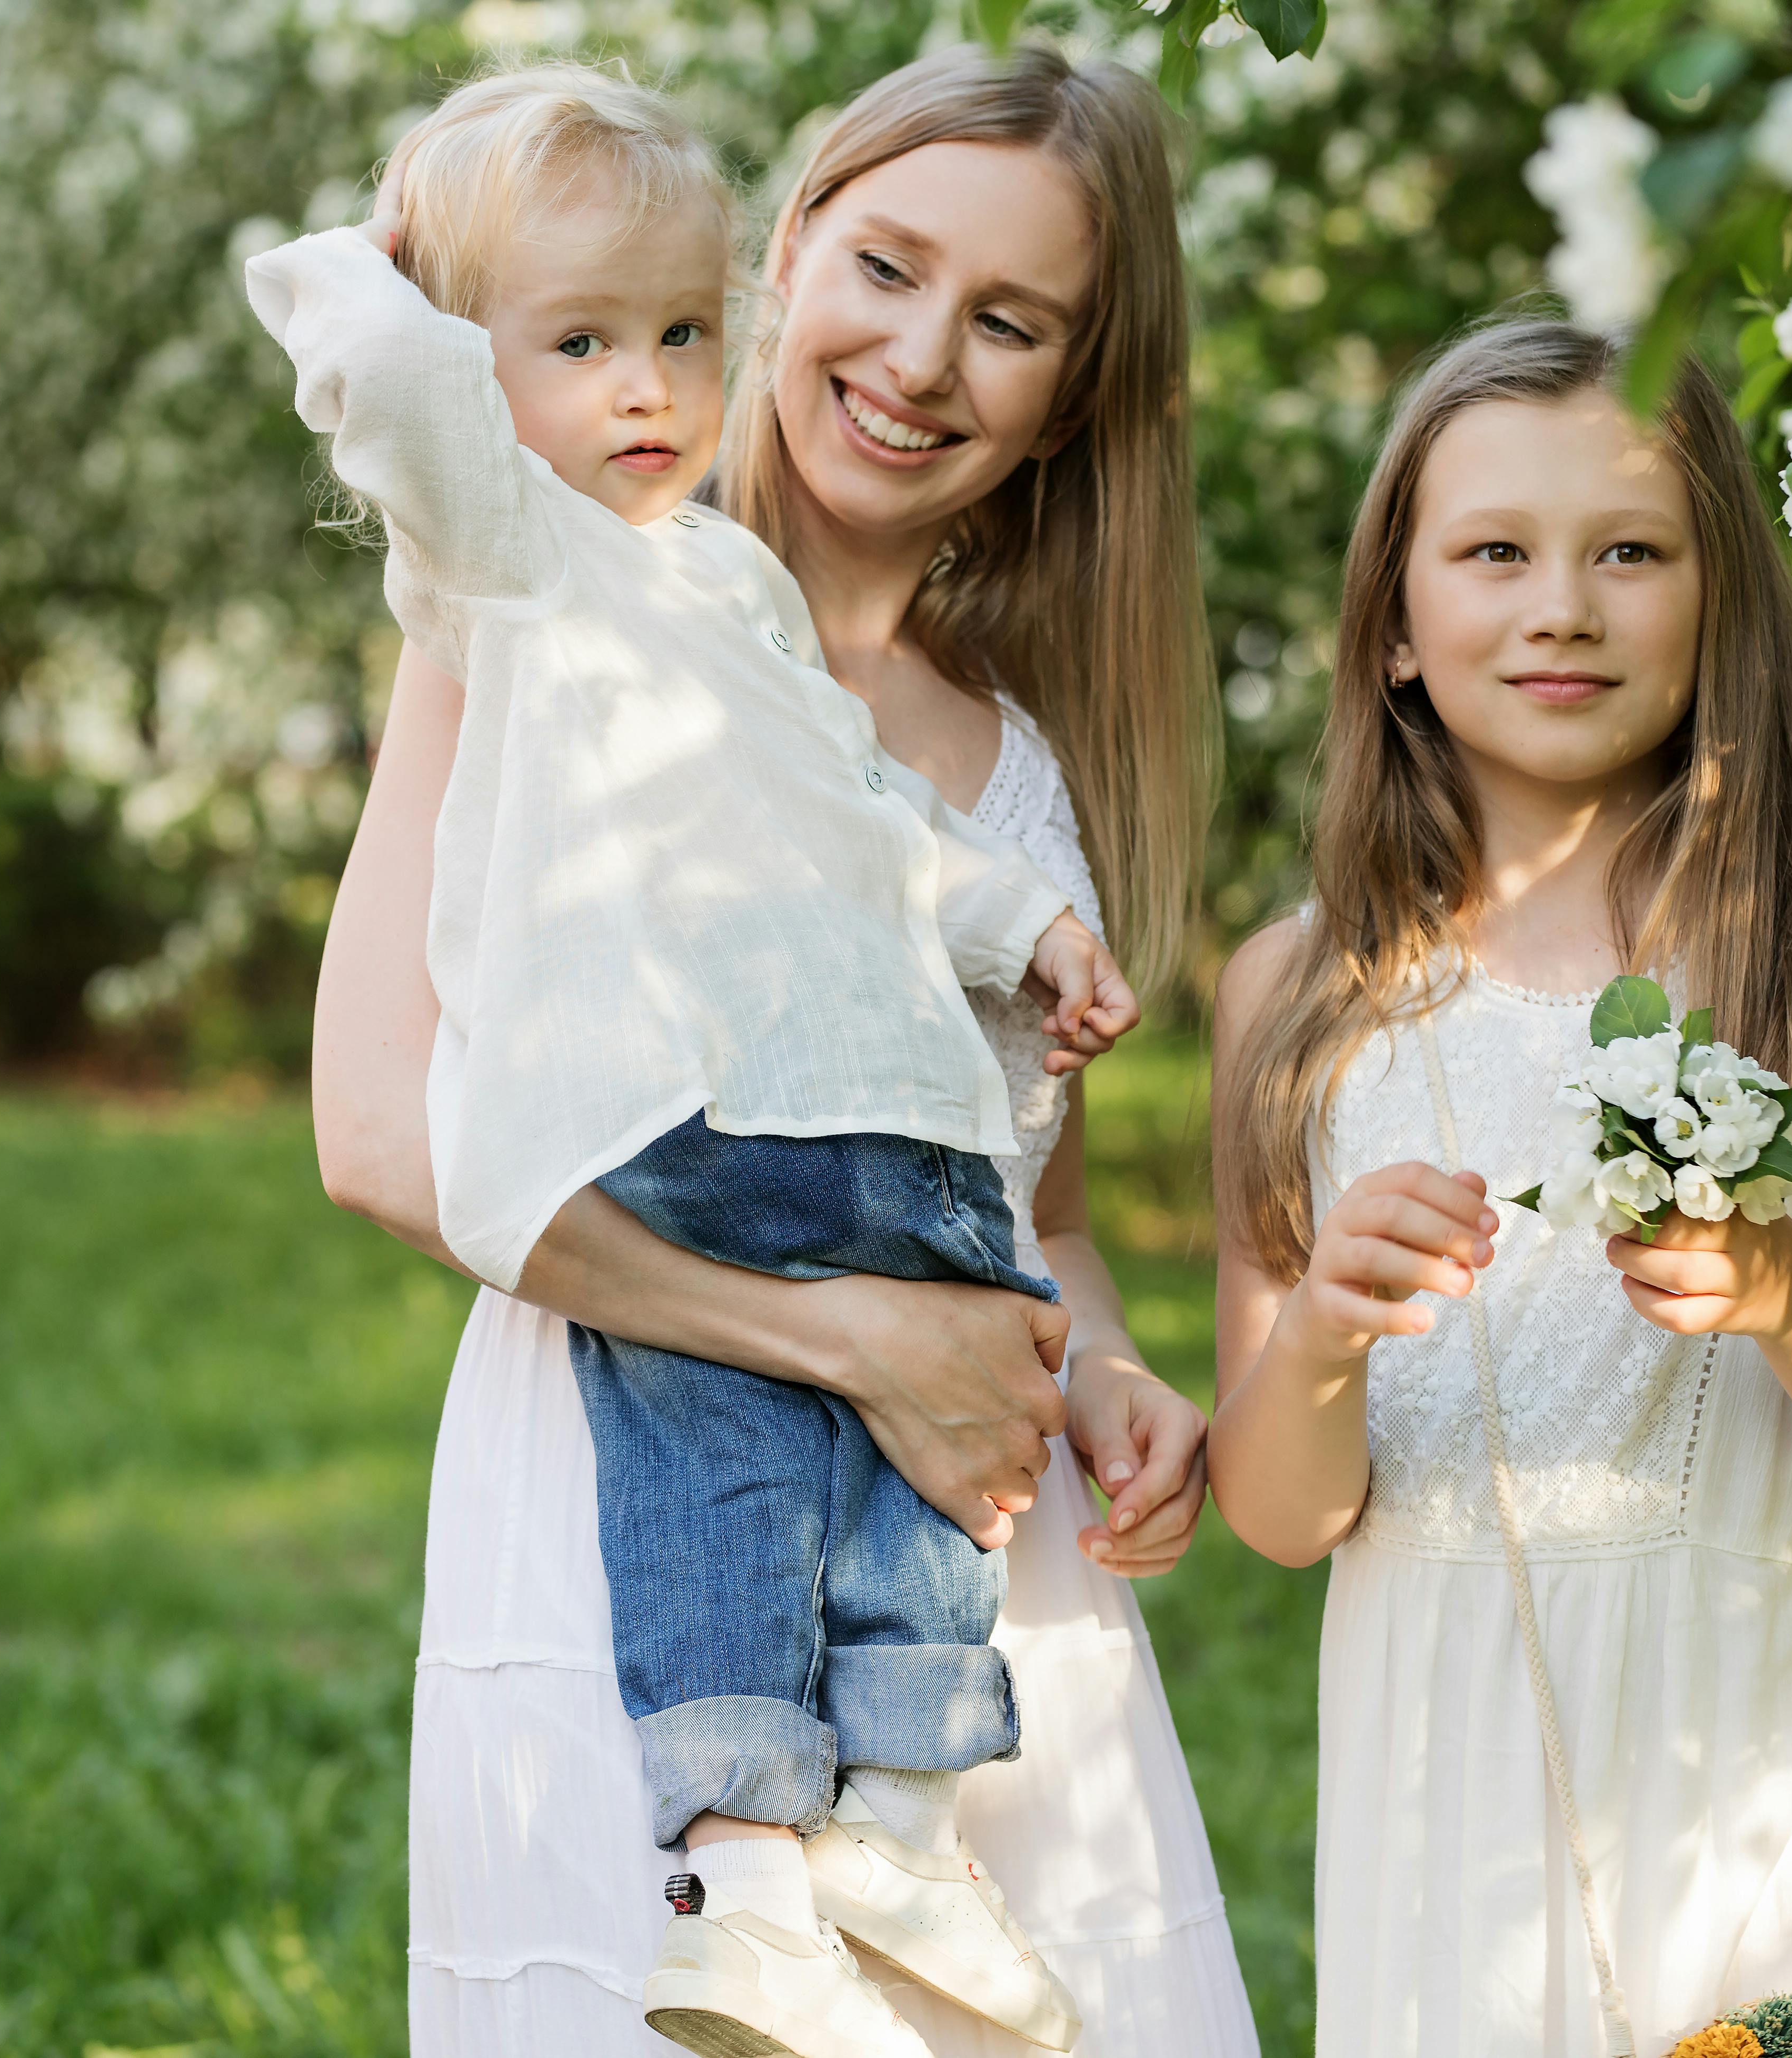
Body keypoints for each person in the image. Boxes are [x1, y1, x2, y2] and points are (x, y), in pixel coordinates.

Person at [304, 45, 1260, 2058]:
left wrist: (1104, 1374)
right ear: (789, 244)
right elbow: (391, 1143)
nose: (919, 355)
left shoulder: (1018, 764)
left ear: (1071, 392)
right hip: (647, 1489)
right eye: (887, 265)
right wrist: (850, 1343)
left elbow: (1037, 1214)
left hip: (981, 1561)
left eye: (1006, 323)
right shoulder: (538, 612)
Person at [1206, 321, 1792, 2058]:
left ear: (1717, 604)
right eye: (1494, 551)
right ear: (1393, 628)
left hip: (1780, 1784)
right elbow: (1282, 1516)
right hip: (1452, 1808)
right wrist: (1325, 1340)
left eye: (1630, 553)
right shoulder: (1296, 999)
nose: (1561, 606)